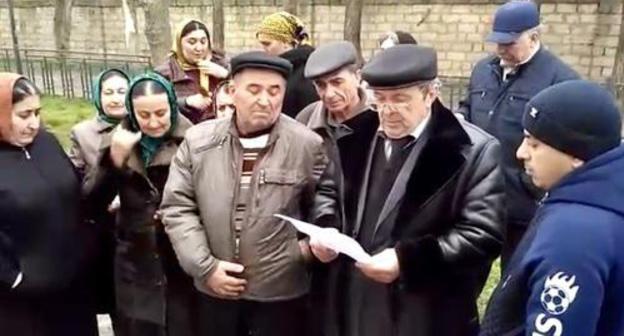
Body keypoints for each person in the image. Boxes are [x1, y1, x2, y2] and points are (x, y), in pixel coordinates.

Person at [311, 45, 504, 336]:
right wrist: (326, 229)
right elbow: (329, 192)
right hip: (353, 301)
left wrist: (408, 260)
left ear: (431, 94)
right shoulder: (355, 134)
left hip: (423, 310)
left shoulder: (472, 150)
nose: (387, 112)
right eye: (380, 100)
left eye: (400, 100)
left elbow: (482, 235)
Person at [160, 51, 338, 336]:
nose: (265, 100)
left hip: (280, 295)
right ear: (232, 91)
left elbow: (325, 202)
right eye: (253, 90)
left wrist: (303, 251)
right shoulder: (199, 141)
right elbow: (177, 207)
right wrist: (205, 268)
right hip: (214, 292)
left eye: (274, 91)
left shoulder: (308, 145)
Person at [480, 80, 624, 336]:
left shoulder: (575, 235)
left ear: (577, 155)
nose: (521, 153)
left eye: (534, 143)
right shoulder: (601, 199)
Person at [457, 0, 579, 267]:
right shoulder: (483, 70)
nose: (501, 49)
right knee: (467, 272)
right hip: (479, 194)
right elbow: (468, 108)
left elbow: (565, 142)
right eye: (497, 41)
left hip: (522, 200)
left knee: (515, 276)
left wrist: (529, 185)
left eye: (509, 43)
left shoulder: (560, 80)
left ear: (534, 36)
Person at [84, 72, 196, 336]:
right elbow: (91, 202)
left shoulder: (193, 140)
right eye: (144, 115)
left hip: (181, 256)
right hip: (136, 261)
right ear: (132, 113)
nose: (154, 122)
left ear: (172, 104)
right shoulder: (118, 141)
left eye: (161, 113)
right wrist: (113, 162)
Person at [0, 73, 97, 335]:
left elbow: (75, 194)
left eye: (37, 113)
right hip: (21, 301)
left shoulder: (47, 142)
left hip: (71, 286)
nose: (34, 123)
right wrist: (14, 277)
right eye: (24, 115)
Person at [68, 68, 130, 329]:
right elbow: (77, 181)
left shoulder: (144, 125)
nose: (115, 98)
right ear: (98, 96)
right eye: (108, 92)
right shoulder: (82, 133)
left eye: (121, 91)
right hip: (103, 230)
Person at [156, 19, 229, 124]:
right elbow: (156, 104)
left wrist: (225, 74)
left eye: (203, 42)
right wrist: (186, 102)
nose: (199, 48)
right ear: (179, 43)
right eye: (192, 42)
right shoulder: (165, 72)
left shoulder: (221, 63)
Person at [256, 11, 319, 117]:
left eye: (267, 44)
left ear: (286, 42)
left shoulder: (308, 72)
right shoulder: (273, 69)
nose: (263, 49)